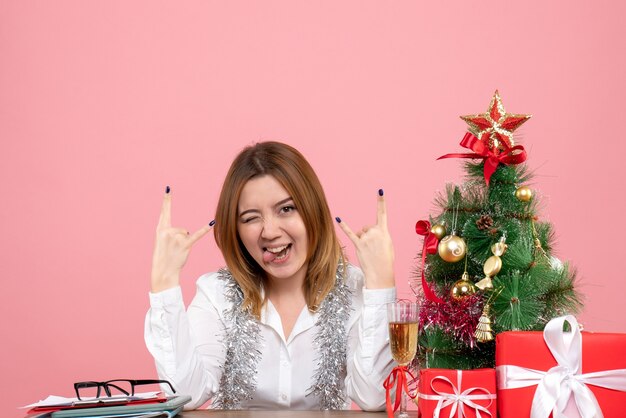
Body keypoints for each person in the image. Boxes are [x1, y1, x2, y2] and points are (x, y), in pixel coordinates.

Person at [145, 141, 396, 410]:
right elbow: (187, 395)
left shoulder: (353, 288)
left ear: (313, 210)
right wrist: (164, 282)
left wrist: (381, 283)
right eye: (251, 218)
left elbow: (374, 397)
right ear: (236, 230)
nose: (269, 231)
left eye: (286, 209)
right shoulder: (216, 294)